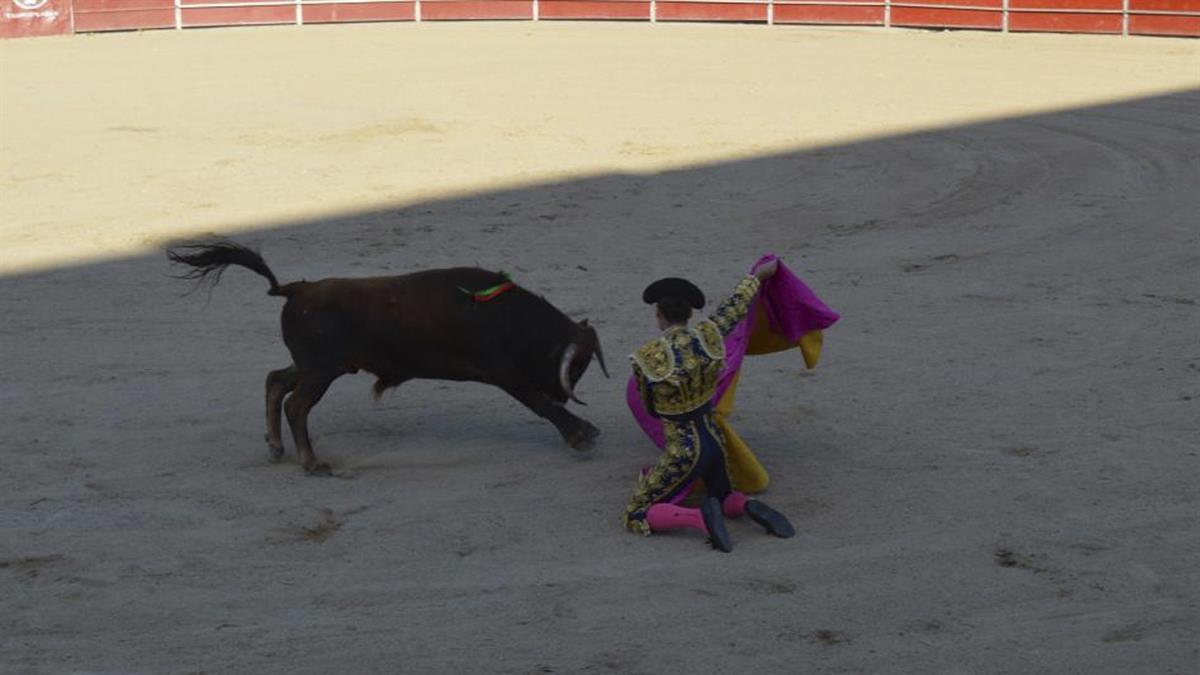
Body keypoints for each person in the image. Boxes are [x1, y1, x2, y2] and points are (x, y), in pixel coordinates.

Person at [623, 260, 795, 552]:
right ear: (690, 313)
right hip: (714, 441)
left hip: (683, 448)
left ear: (659, 315)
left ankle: (697, 517)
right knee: (722, 492)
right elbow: (735, 307)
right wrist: (756, 277)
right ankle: (748, 506)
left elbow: (651, 408)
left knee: (637, 513)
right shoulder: (709, 334)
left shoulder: (648, 357)